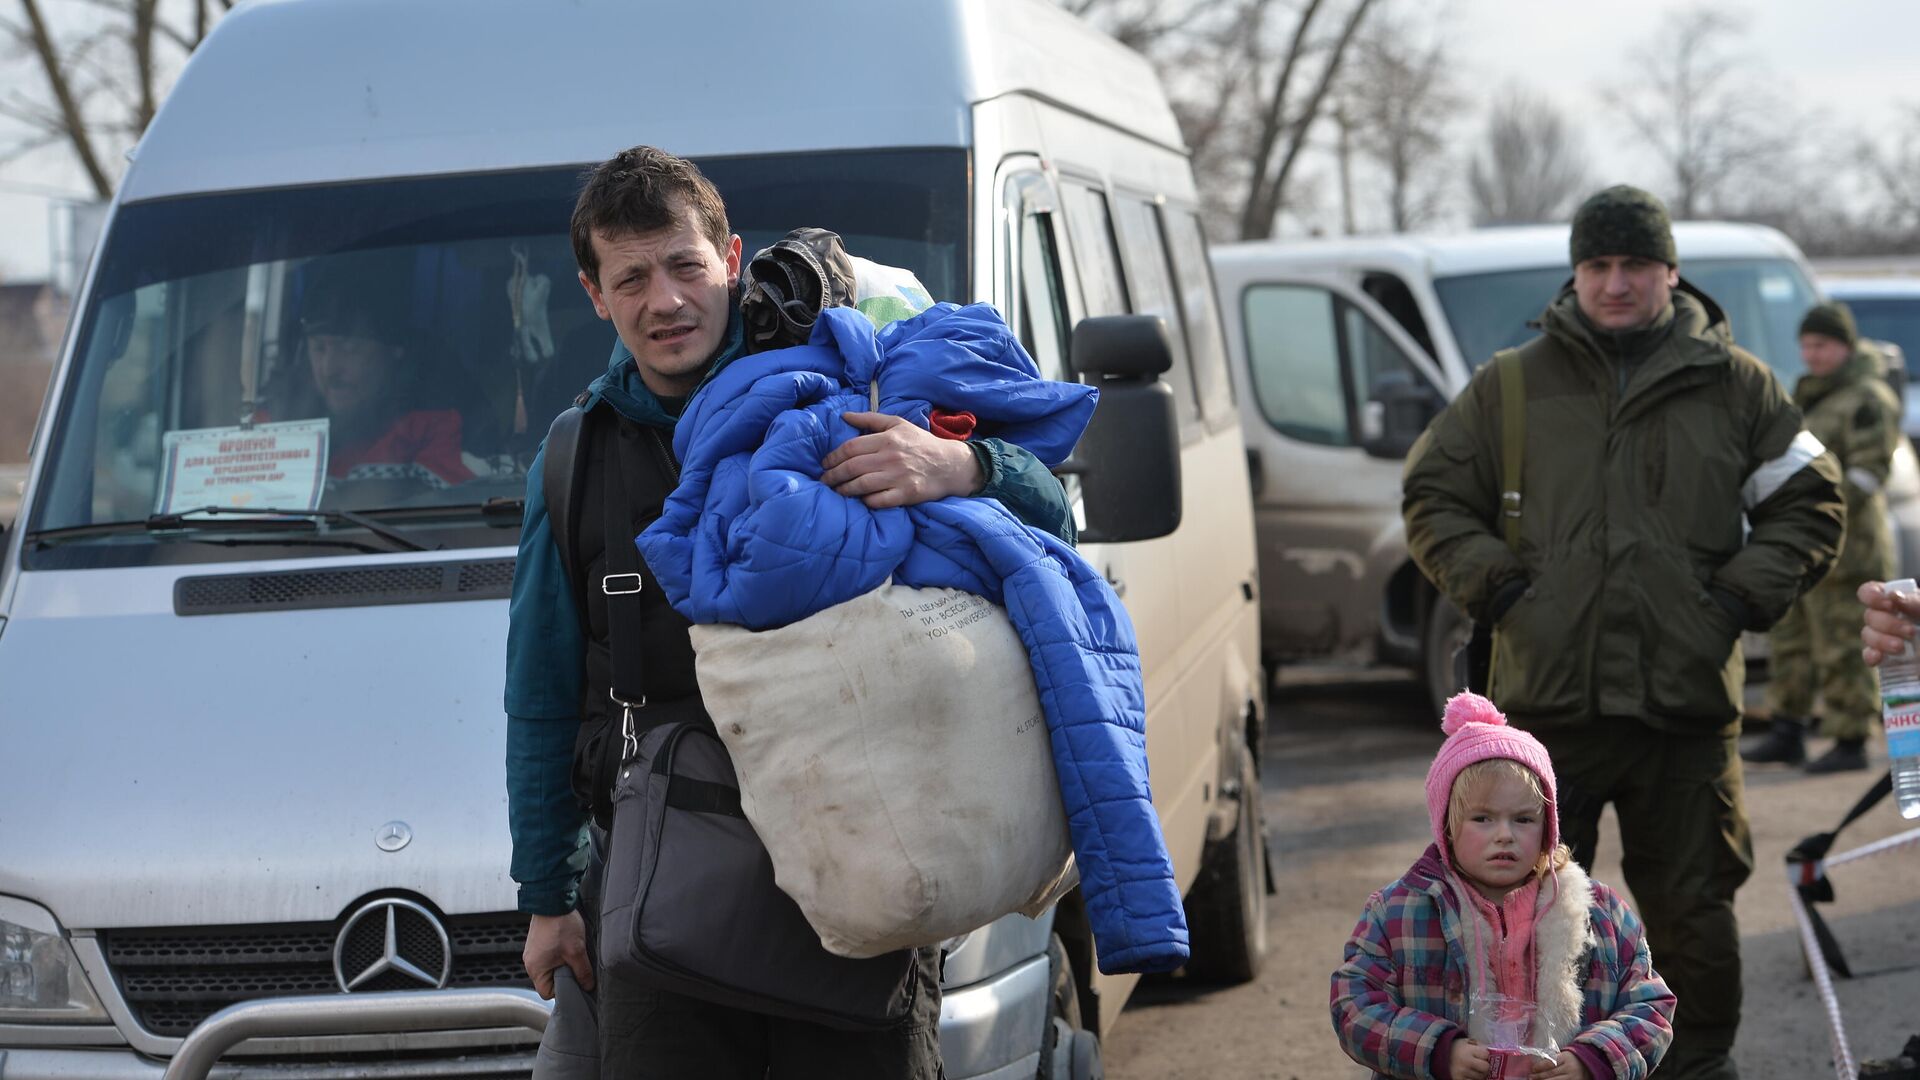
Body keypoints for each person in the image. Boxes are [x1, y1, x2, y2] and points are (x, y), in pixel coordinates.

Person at [505, 145, 1075, 1079]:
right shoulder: (574, 461)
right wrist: (548, 895)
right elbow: (541, 693)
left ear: (731, 259)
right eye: (632, 277)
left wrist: (960, 466)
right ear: (594, 295)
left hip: (862, 877)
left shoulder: (857, 382)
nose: (666, 300)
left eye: (686, 265)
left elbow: (1049, 517)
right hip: (664, 904)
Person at [1401, 185, 1845, 1080]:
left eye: (1635, 265)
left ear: (1669, 272)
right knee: (1525, 917)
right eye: (1598, 265)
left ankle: (1696, 1067)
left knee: (1692, 913)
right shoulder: (1512, 385)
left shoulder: (1738, 385)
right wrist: (1507, 589)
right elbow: (1433, 496)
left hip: (1683, 706)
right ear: (1576, 273)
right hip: (1544, 717)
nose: (1615, 283)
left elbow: (1811, 500)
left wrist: (1725, 606)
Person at [1331, 692, 1676, 1080]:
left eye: (1524, 820)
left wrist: (1593, 1059)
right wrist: (1438, 1050)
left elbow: (1651, 1005)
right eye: (1483, 818)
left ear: (1548, 828)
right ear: (1446, 826)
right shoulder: (1398, 912)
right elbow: (1353, 1004)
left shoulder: (1601, 914)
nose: (1504, 835)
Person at [1745, 303, 1901, 772]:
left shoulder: (1866, 398)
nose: (1812, 354)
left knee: (1844, 644)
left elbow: (1869, 473)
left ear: (1846, 347)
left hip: (1851, 547)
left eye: (1823, 345)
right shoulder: (1811, 394)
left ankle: (1850, 740)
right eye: (1807, 345)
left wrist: (1813, 504)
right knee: (1793, 639)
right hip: (1805, 542)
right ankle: (1788, 729)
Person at [292, 268, 475, 488]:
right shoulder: (277, 423)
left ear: (394, 350)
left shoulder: (435, 425)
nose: (329, 369)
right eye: (318, 349)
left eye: (349, 348)